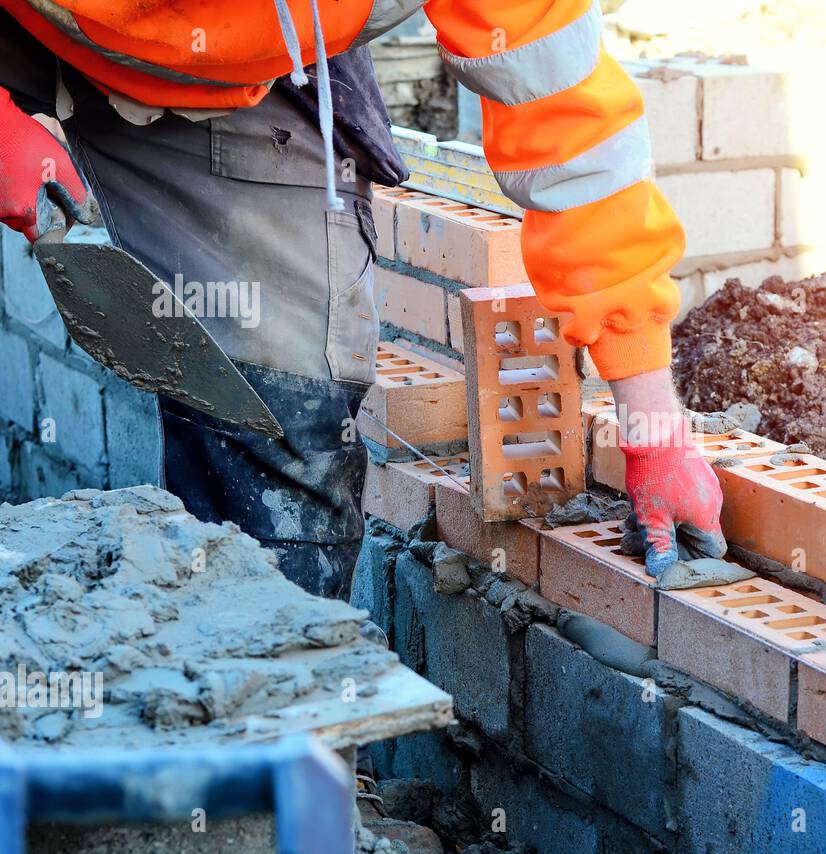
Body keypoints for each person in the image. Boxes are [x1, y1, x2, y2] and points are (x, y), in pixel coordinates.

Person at [0, 0, 724, 597]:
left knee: (283, 414)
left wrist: (651, 416)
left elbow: (565, 116)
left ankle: (265, 726)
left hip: (237, 68)